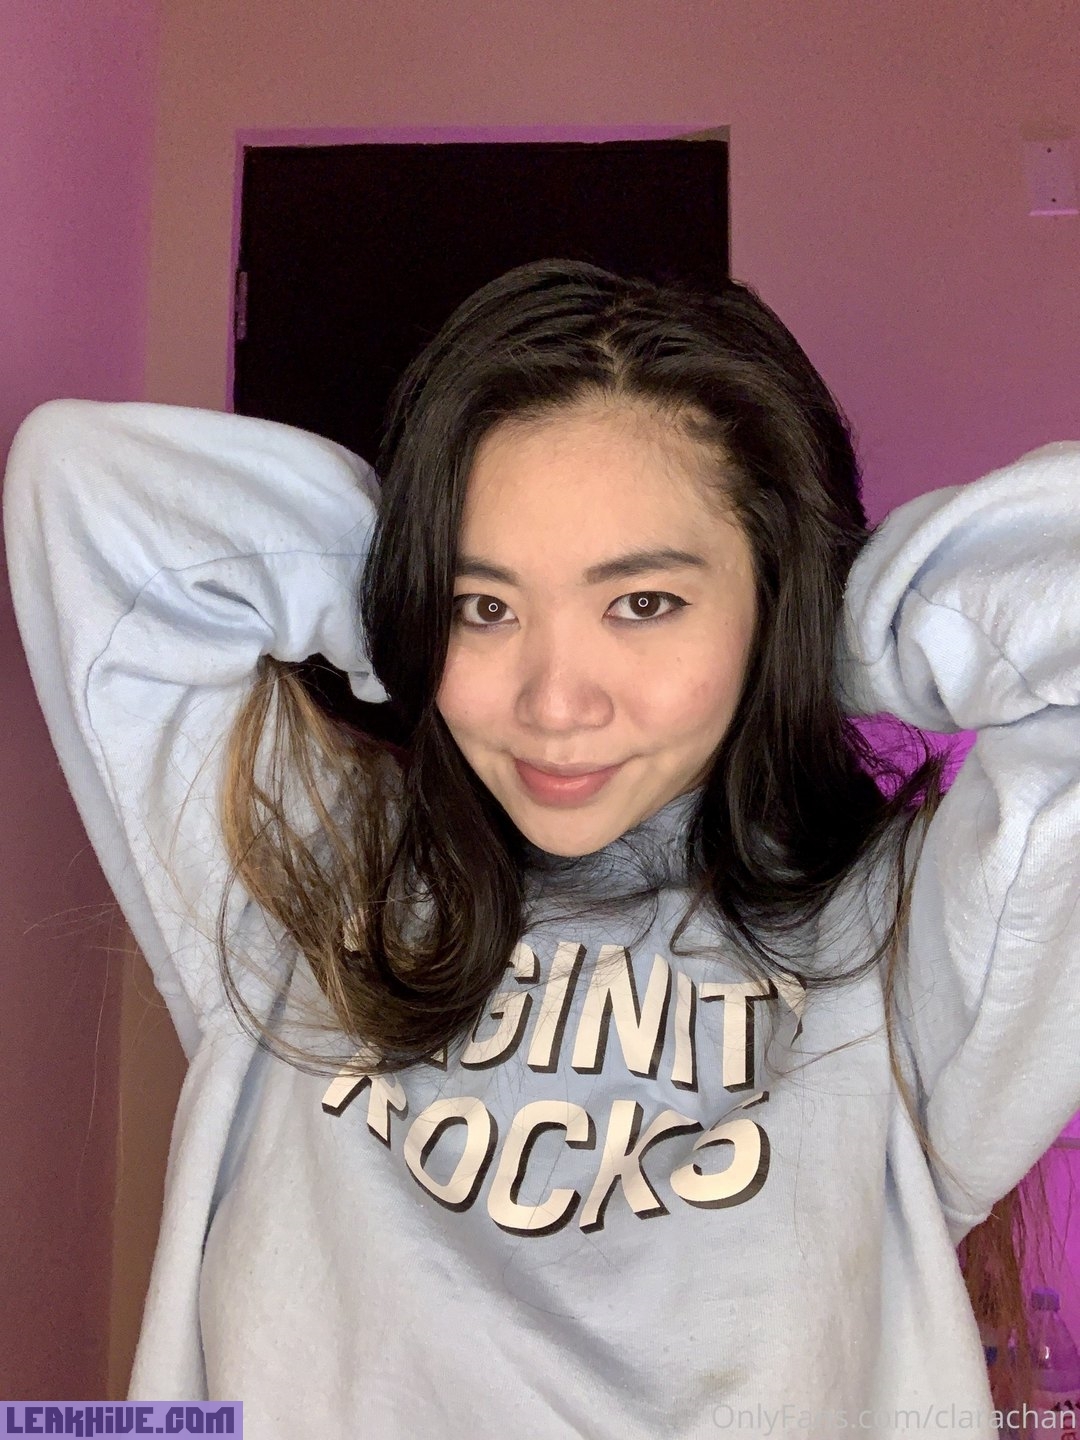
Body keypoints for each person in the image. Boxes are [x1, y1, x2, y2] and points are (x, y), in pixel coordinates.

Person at [4, 258, 1076, 1438]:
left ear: (769, 597)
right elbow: (86, 486)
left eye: (644, 603)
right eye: (486, 606)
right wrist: (411, 596)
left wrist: (809, 630)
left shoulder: (902, 952)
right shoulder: (310, 876)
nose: (555, 701)